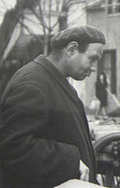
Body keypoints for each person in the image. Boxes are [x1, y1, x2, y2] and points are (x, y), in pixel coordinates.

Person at [0, 25, 106, 187]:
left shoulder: (53, 80)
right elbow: (12, 146)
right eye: (92, 59)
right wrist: (71, 161)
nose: (93, 68)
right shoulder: (32, 84)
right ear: (71, 49)